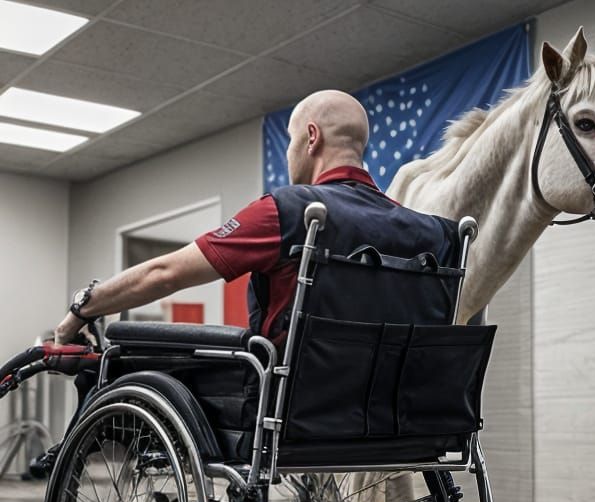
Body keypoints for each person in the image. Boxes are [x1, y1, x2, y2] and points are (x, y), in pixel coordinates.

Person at [54, 89, 373, 346]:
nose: (289, 152)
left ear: (312, 137)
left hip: (291, 409)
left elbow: (165, 273)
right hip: (396, 416)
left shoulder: (289, 210)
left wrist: (84, 307)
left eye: (291, 141)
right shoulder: (419, 229)